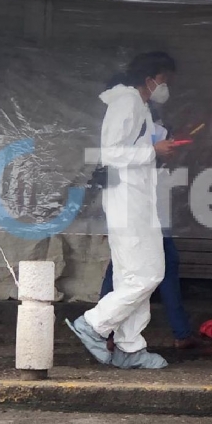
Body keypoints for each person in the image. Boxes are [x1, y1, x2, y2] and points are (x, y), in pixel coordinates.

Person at [66, 52, 178, 369]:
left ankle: (129, 347)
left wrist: (156, 149)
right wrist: (153, 150)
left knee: (135, 275)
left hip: (136, 199)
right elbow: (111, 153)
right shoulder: (126, 103)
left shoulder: (138, 106)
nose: (166, 87)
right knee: (148, 273)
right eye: (165, 80)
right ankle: (93, 324)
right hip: (126, 200)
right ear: (150, 79)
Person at [100, 104, 197, 351]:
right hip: (143, 210)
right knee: (158, 267)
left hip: (141, 208)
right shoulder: (143, 127)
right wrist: (159, 149)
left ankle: (108, 333)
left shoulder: (141, 128)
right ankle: (103, 328)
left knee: (121, 267)